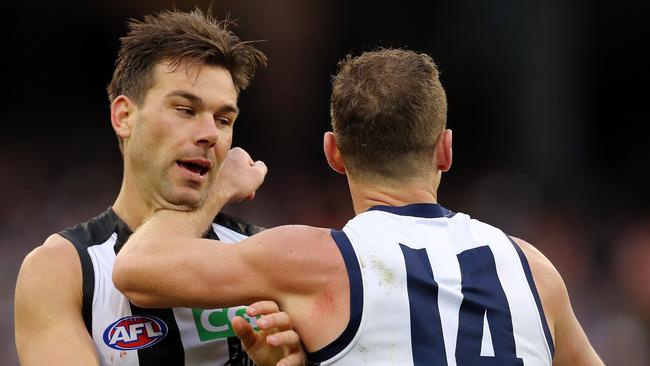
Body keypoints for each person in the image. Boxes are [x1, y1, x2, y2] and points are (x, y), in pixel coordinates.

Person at [113, 48, 604, 365]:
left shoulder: (316, 261)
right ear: (445, 149)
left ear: (334, 153)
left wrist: (217, 186)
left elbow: (137, 267)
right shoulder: (533, 270)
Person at [15, 9, 305, 366]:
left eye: (224, 119)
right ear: (124, 117)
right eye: (185, 110)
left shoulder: (262, 253)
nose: (210, 134)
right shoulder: (63, 269)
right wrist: (217, 192)